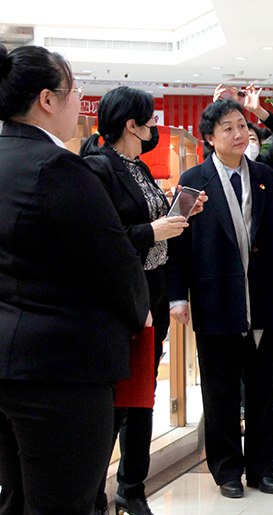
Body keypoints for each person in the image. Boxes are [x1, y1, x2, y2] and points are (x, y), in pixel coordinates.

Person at [0, 44, 150, 514]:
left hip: (8, 360)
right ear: (47, 99)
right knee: (65, 503)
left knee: (15, 498)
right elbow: (115, 261)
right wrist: (141, 314)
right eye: (73, 90)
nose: (79, 101)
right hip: (62, 369)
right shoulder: (58, 167)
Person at [168, 99, 273, 499]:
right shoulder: (192, 180)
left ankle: (264, 469)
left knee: (263, 388)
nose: (239, 133)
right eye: (227, 128)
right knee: (221, 391)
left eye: (242, 126)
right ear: (210, 138)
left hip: (262, 298)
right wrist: (177, 297)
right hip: (215, 300)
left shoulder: (266, 177)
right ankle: (227, 470)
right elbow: (177, 243)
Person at [80, 86, 205, 515]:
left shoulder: (139, 167)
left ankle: (132, 488)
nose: (155, 126)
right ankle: (96, 494)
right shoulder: (98, 168)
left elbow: (149, 220)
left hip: (152, 290)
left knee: (142, 396)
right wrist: (154, 231)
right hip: (121, 299)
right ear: (131, 125)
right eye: (150, 120)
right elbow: (103, 240)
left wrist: (179, 212)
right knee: (118, 402)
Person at [214, 85, 273, 418]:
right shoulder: (212, 175)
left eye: (249, 134)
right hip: (231, 274)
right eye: (231, 130)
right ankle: (241, 403)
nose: (242, 138)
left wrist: (258, 110)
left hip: (268, 270)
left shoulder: (264, 168)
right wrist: (219, 109)